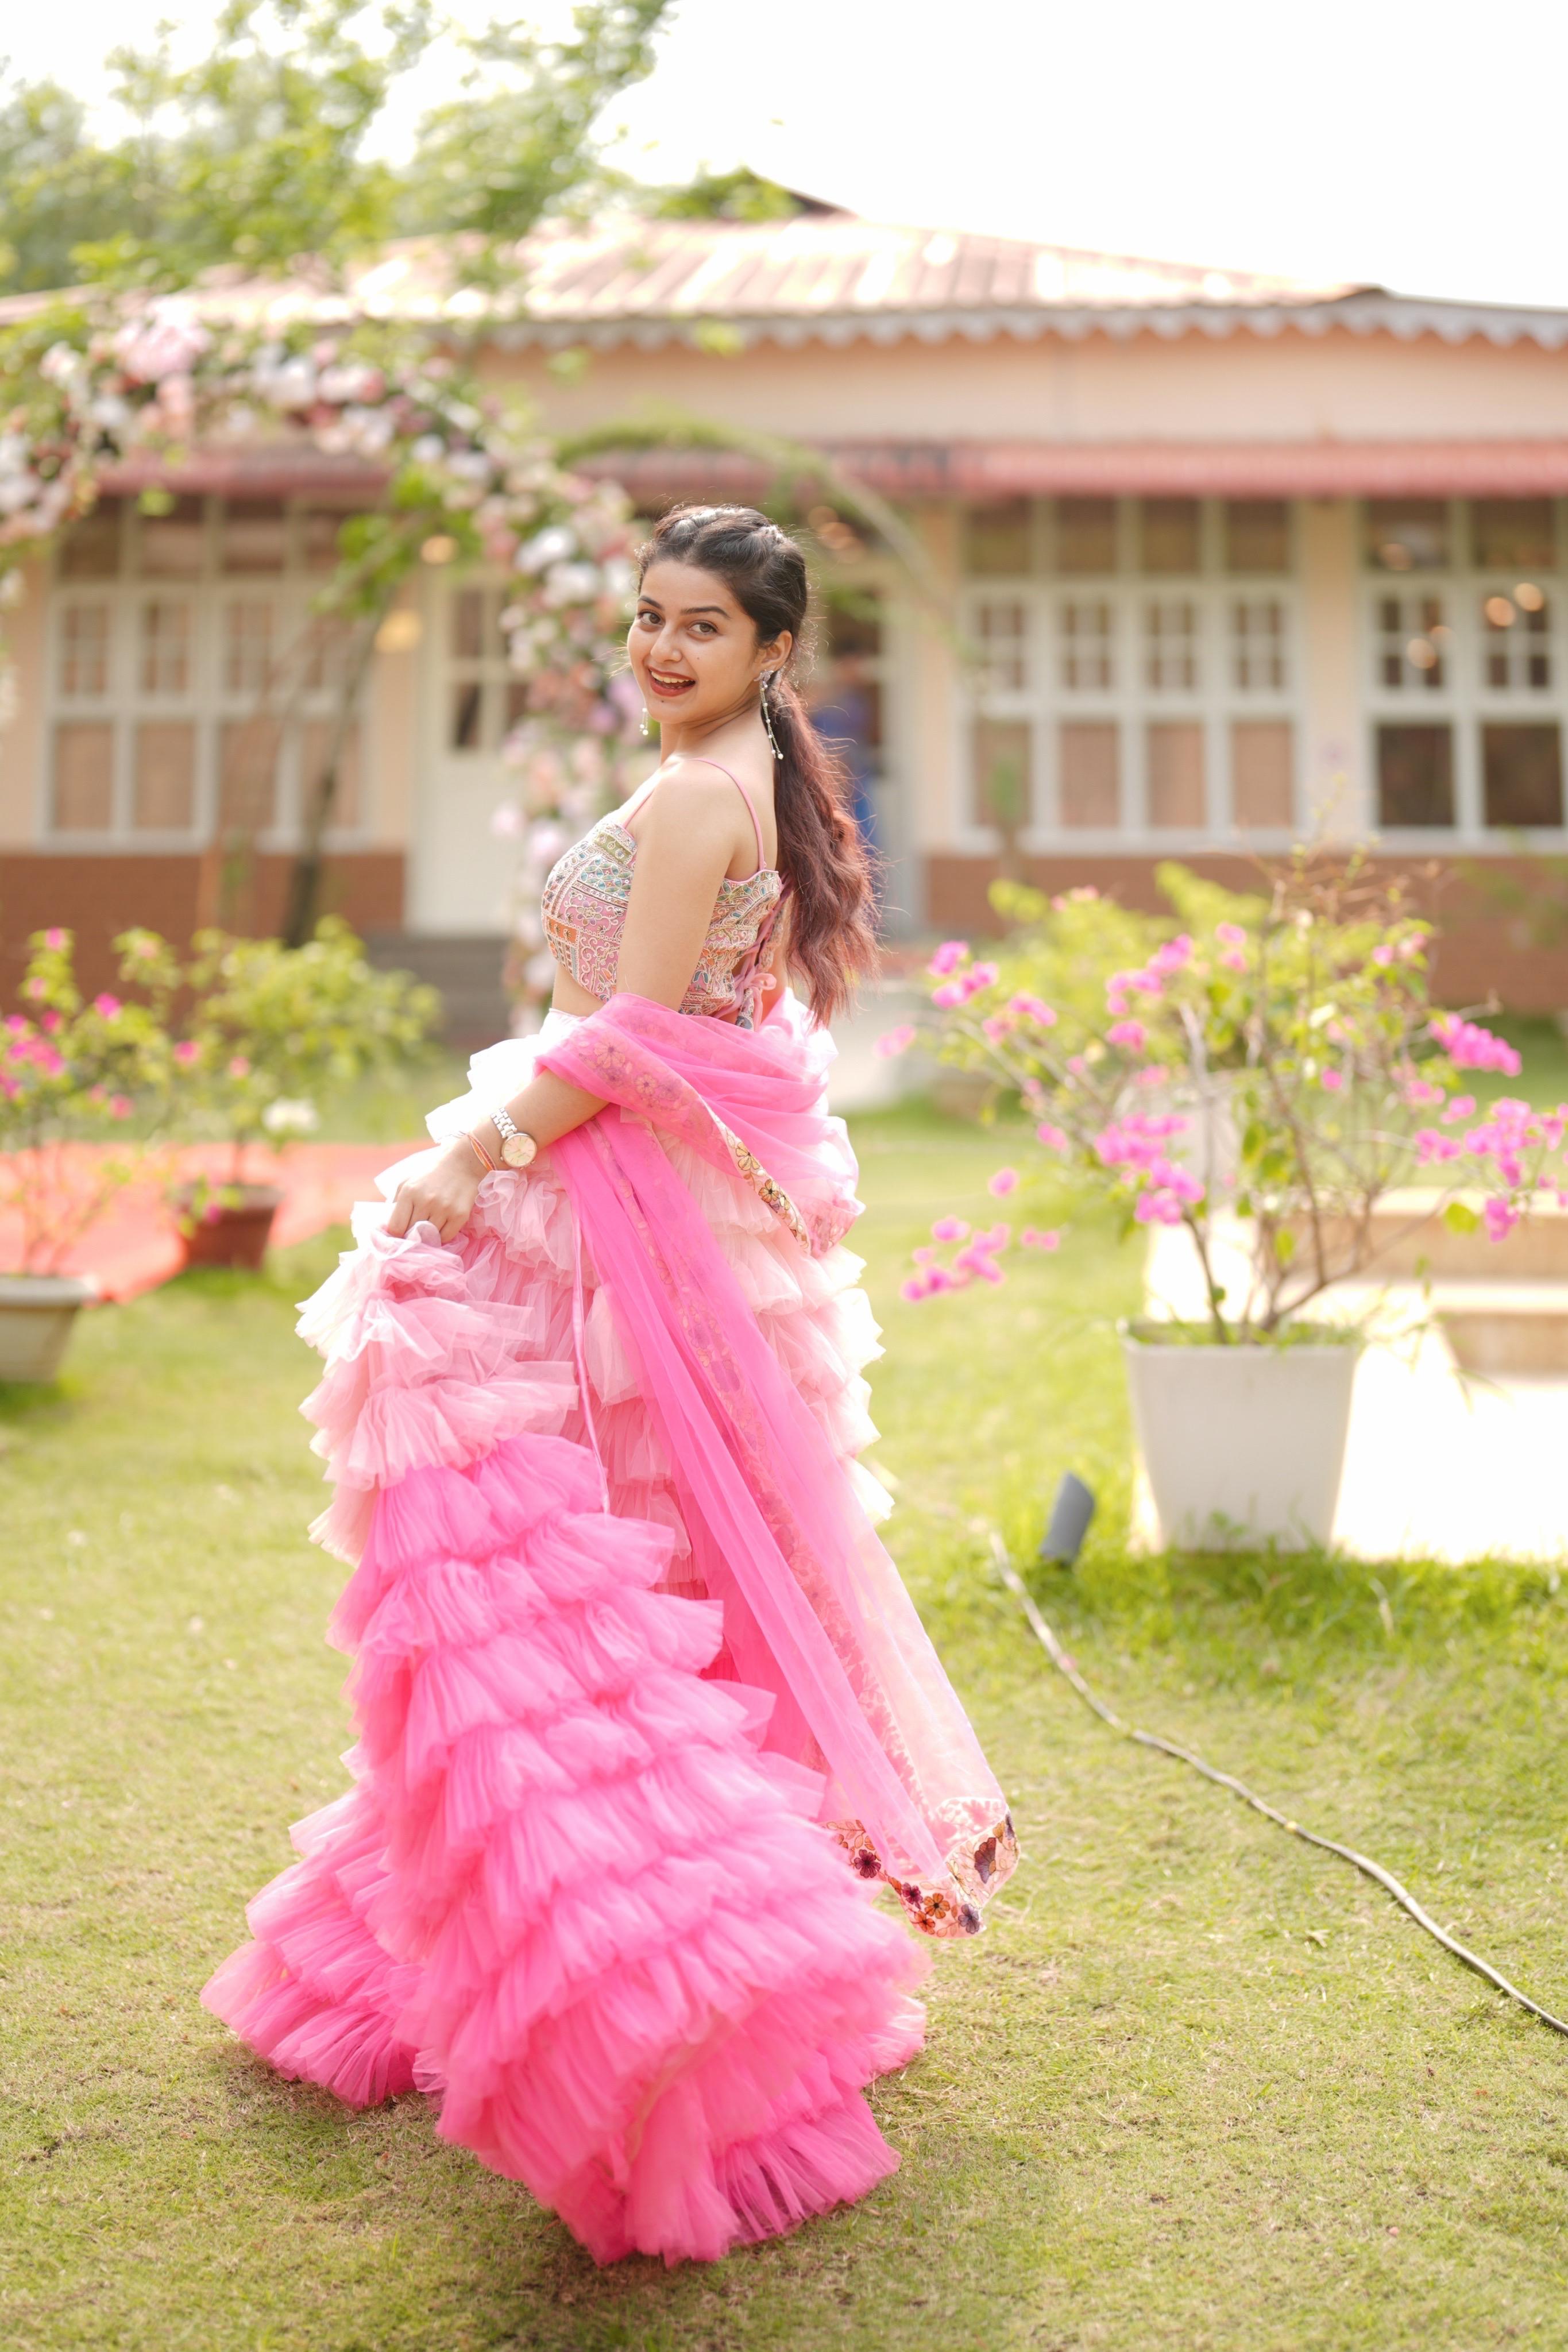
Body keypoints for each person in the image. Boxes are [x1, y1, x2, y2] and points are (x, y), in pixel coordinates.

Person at [202, 505, 1017, 2266]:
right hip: (663, 1209)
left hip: (611, 1211)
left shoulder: (694, 796)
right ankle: (476, 1942)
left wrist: (465, 1156)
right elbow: (720, 1025)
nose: (659, 649)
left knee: (577, 1592)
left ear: (774, 652)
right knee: (660, 1582)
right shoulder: (744, 782)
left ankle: (664, 1965)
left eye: (701, 627)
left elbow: (638, 1034)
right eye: (648, 616)